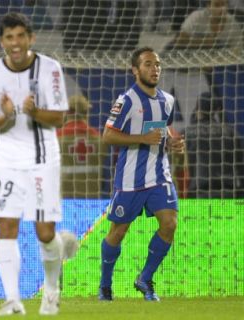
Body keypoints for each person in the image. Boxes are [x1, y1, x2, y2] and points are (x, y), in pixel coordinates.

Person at [0, 12, 79, 316]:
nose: (15, 43)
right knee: (5, 226)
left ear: (30, 38)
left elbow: (60, 117)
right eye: (9, 37)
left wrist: (34, 112)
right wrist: (9, 115)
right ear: (2, 41)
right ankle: (13, 301)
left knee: (44, 233)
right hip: (7, 158)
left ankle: (51, 290)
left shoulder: (50, 68)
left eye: (20, 36)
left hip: (42, 157)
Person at [98, 47, 185, 302]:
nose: (154, 68)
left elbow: (164, 131)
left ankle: (145, 279)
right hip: (130, 180)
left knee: (169, 224)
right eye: (147, 64)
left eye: (157, 64)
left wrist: (174, 142)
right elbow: (108, 136)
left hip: (159, 175)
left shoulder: (167, 100)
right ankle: (105, 285)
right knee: (118, 232)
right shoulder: (126, 101)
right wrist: (142, 138)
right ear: (135, 70)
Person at [186, 92, 244, 198]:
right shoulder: (230, 132)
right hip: (228, 193)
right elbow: (241, 164)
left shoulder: (188, 133)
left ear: (198, 109)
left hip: (199, 194)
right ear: (216, 110)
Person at [57, 94, 102, 198]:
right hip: (92, 195)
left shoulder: (58, 138)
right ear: (85, 112)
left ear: (67, 112)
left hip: (66, 194)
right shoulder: (98, 138)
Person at [170, 0, 243, 50]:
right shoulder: (197, 17)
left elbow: (236, 52)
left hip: (218, 67)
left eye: (224, 4)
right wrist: (205, 42)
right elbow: (179, 42)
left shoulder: (233, 25)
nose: (222, 9)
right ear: (209, 6)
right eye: (217, 5)